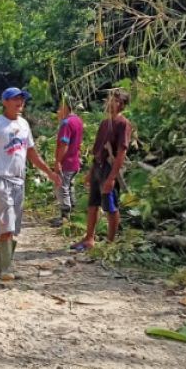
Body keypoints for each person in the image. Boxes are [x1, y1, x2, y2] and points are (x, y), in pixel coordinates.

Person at [0, 87, 60, 282]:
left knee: (13, 227)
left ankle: (1, 267)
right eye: (16, 100)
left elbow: (31, 153)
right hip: (0, 179)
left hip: (19, 181)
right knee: (6, 224)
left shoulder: (24, 125)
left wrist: (49, 173)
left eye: (22, 100)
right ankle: (7, 268)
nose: (20, 104)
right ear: (5, 102)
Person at [72, 89, 132, 251]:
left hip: (109, 168)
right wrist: (91, 172)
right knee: (93, 204)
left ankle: (110, 243)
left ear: (121, 104)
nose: (109, 103)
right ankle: (89, 238)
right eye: (109, 99)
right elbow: (97, 150)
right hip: (98, 166)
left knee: (110, 206)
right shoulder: (105, 123)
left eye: (114, 100)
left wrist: (112, 178)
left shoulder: (123, 124)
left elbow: (121, 153)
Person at [52, 102, 85, 228]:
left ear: (66, 108)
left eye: (60, 108)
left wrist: (58, 161)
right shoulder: (78, 120)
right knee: (70, 186)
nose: (58, 111)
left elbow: (64, 144)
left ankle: (65, 216)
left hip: (67, 161)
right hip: (75, 160)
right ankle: (73, 214)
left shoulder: (66, 123)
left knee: (62, 187)